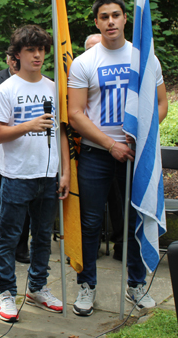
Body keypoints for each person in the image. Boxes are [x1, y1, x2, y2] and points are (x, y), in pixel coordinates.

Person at [68, 0, 168, 316]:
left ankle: (136, 285)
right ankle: (87, 285)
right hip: (98, 155)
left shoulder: (146, 58)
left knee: (135, 217)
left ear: (126, 18)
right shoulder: (85, 62)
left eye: (116, 15)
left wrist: (142, 133)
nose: (110, 21)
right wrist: (111, 144)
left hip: (136, 155)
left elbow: (161, 103)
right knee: (91, 222)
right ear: (96, 22)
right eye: (104, 17)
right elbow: (76, 114)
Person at [0, 25, 70, 322]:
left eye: (41, 50)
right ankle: (6, 292)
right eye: (30, 50)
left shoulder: (53, 87)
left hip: (48, 175)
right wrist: (27, 125)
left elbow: (61, 132)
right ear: (17, 55)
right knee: (9, 237)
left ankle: (37, 287)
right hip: (16, 176)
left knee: (44, 236)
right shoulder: (5, 90)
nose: (37, 55)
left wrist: (65, 172)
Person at [0, 54, 30, 265]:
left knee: (25, 206)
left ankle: (22, 249)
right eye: (12, 58)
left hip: (23, 152)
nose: (15, 62)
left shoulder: (36, 82)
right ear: (7, 59)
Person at [85, 32, 124, 262]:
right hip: (90, 151)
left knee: (119, 204)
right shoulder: (81, 70)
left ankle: (121, 246)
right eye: (91, 48)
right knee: (90, 215)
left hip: (121, 149)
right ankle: (92, 251)